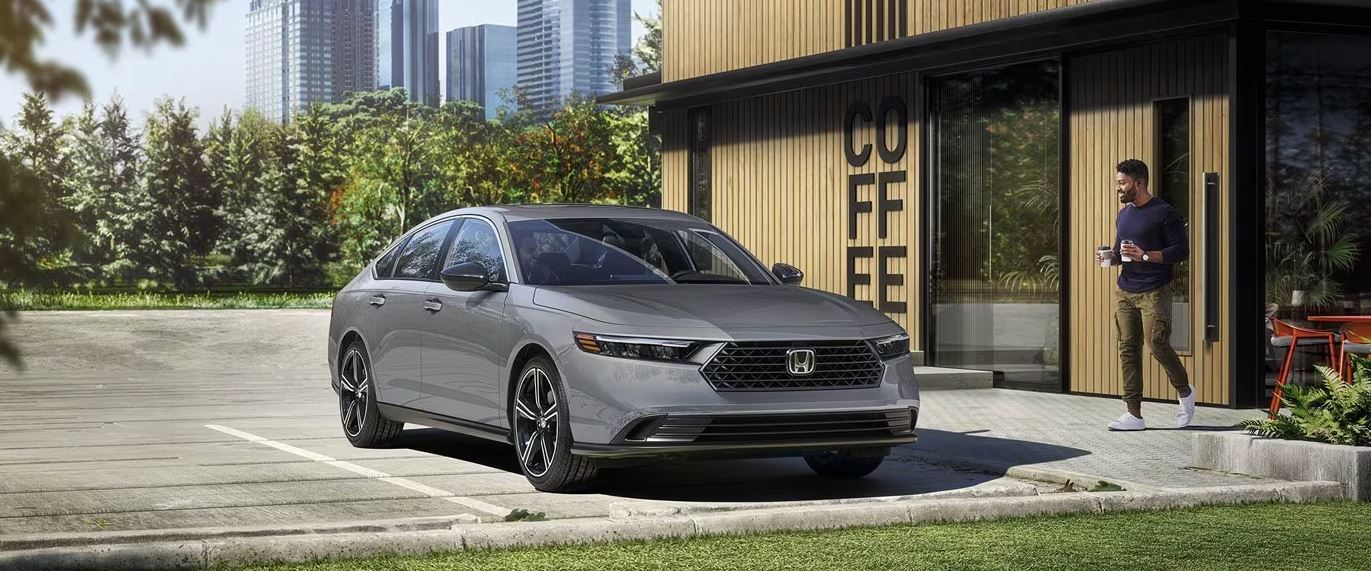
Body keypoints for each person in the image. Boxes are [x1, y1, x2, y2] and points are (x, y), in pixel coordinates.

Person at [1095, 159, 1194, 430]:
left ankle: (1185, 392)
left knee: (1157, 344)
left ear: (1138, 183)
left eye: (1122, 183)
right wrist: (1109, 257)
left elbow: (1181, 251)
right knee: (1128, 348)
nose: (1118, 188)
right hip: (1126, 289)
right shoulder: (1124, 214)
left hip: (1155, 290)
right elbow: (1120, 253)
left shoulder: (1164, 213)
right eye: (1117, 182)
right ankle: (1134, 414)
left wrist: (1147, 255)